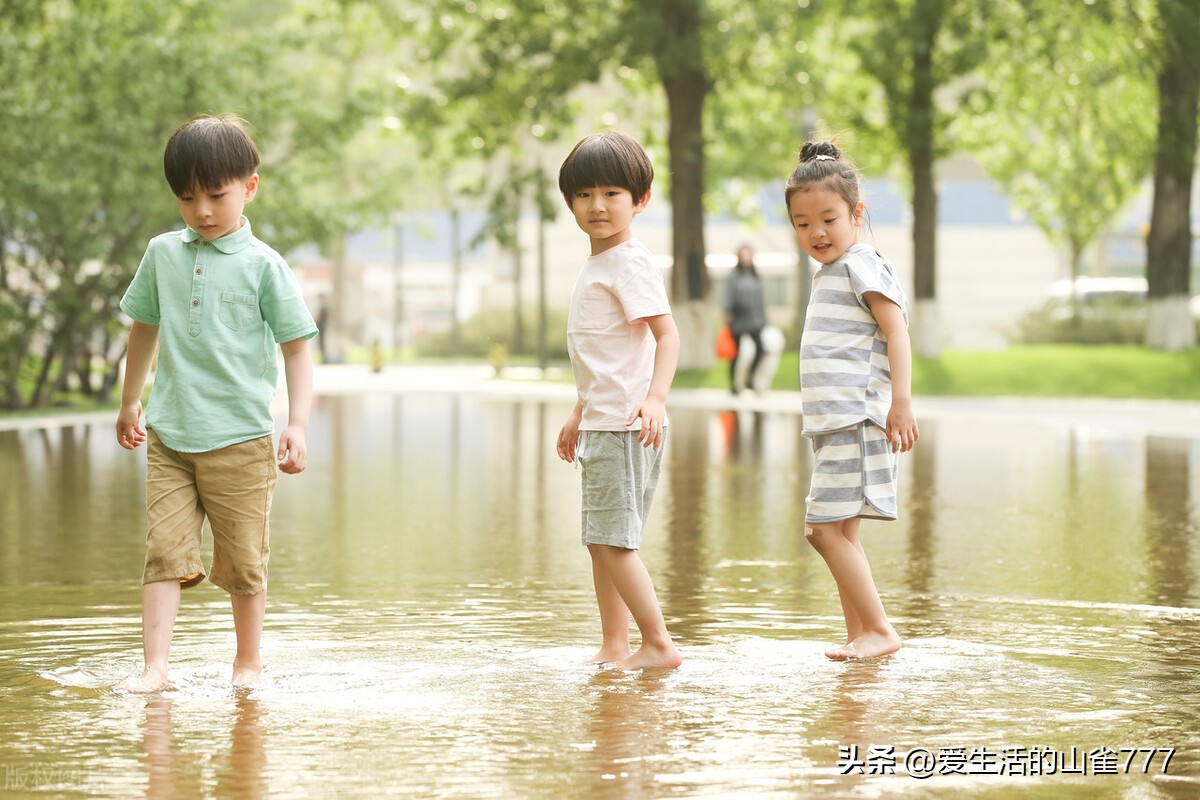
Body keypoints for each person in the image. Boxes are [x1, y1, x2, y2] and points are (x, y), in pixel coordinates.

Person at [114, 115, 318, 692]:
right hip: (171, 435)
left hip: (242, 440)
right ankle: (155, 667)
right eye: (187, 197)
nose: (202, 210)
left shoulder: (264, 266)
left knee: (245, 562)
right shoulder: (162, 254)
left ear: (249, 186)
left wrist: (297, 423)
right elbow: (143, 329)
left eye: (216, 195)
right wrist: (132, 401)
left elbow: (297, 349)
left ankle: (247, 664)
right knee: (162, 554)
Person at [555, 131, 683, 670]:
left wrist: (655, 399)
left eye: (611, 193)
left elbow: (667, 335)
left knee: (612, 541)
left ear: (640, 200)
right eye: (584, 195)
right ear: (569, 204)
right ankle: (614, 644)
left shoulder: (630, 262)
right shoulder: (600, 264)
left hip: (628, 425)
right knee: (600, 539)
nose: (597, 205)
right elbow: (605, 354)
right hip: (602, 421)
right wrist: (579, 411)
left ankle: (656, 644)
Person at [788, 141, 918, 660]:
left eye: (828, 219)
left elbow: (897, 330)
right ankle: (859, 633)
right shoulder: (832, 271)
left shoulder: (862, 262)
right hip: (834, 422)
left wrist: (900, 402)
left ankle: (880, 630)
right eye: (802, 223)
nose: (816, 233)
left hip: (858, 418)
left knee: (820, 530)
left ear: (856, 214)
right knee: (842, 532)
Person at [723, 244, 767, 394]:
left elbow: (761, 299)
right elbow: (727, 295)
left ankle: (750, 379)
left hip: (754, 319)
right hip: (737, 319)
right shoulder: (733, 276)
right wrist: (727, 313)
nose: (746, 258)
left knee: (760, 349)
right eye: (744, 255)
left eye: (749, 255)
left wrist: (763, 318)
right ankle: (733, 385)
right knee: (736, 354)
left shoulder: (755, 275)